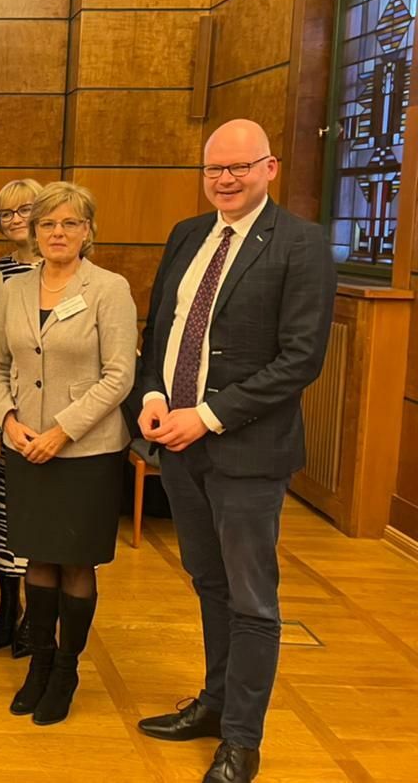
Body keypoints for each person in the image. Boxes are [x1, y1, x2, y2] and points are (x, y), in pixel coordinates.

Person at [134, 119, 336, 783]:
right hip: (180, 452)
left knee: (253, 600)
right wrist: (155, 396)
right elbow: (162, 327)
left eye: (238, 168)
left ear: (269, 169)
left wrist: (209, 416)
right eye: (213, 169)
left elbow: (300, 359)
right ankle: (214, 705)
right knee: (209, 582)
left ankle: (242, 742)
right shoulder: (188, 235)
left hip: (248, 454)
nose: (224, 179)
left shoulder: (301, 246)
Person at [0, 181, 137, 726]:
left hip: (86, 451)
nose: (57, 233)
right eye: (47, 224)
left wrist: (63, 431)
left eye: (69, 223)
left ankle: (67, 669)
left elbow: (120, 375)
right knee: (37, 559)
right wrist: (7, 419)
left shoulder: (108, 288)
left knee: (75, 562)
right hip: (25, 444)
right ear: (34, 231)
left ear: (88, 231)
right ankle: (39, 664)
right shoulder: (15, 289)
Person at [0, 177, 44, 656]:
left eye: (25, 209)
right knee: (2, 512)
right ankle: (8, 605)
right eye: (6, 213)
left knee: (38, 516)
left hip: (54, 418)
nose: (16, 219)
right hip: (6, 409)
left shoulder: (73, 272)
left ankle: (36, 612)